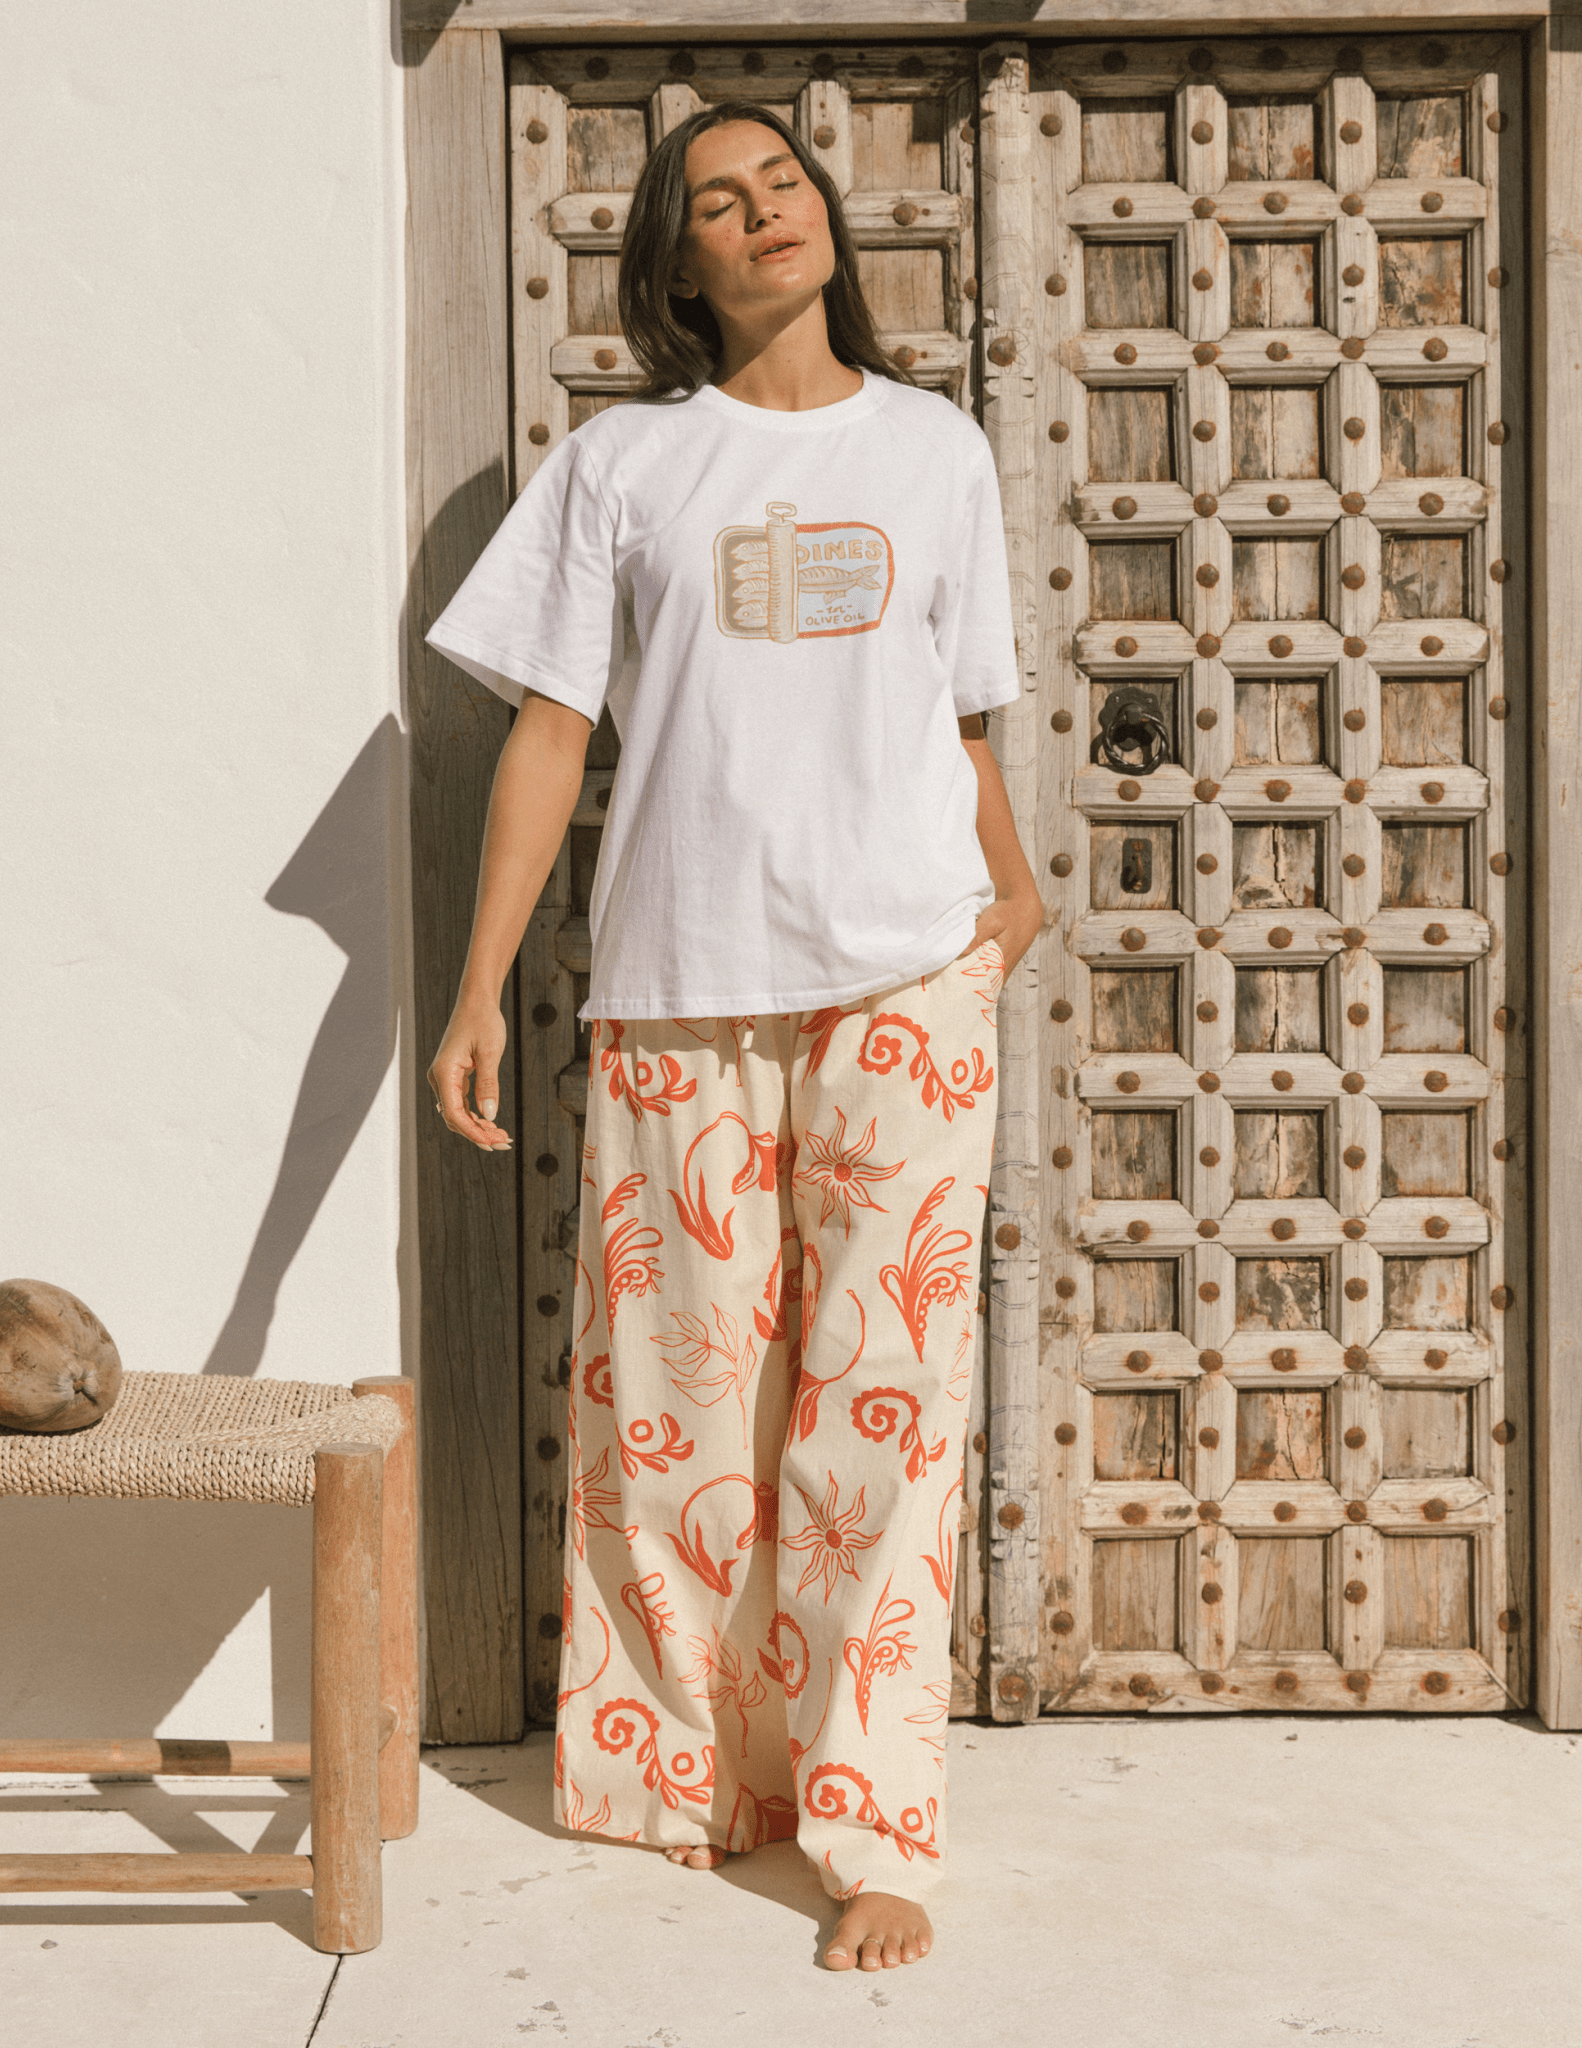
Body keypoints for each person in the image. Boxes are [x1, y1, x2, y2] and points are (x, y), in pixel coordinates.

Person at [424, 99, 1042, 1974]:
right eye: (718, 199)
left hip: (903, 982)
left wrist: (1013, 899)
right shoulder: (624, 463)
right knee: (675, 1414)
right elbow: (550, 730)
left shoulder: (935, 449)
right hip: (678, 985)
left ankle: (867, 1825)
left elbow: (959, 719)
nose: (764, 211)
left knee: (881, 1414)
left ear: (825, 220)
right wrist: (478, 985)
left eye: (783, 182)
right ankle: (674, 1773)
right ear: (676, 261)